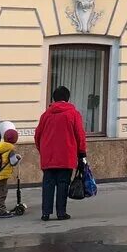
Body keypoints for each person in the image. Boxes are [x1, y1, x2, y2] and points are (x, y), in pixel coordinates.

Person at [35, 85, 87, 221]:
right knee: (63, 183)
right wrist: (81, 153)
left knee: (48, 184)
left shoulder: (45, 115)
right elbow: (80, 135)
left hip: (48, 156)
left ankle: (45, 213)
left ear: (54, 98)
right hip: (66, 155)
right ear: (67, 98)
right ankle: (61, 212)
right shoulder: (73, 114)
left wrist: (43, 150)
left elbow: (37, 136)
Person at [0, 124, 20, 217]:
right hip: (2, 174)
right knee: (2, 193)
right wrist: (18, 158)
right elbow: (13, 162)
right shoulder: (10, 149)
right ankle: (0, 211)